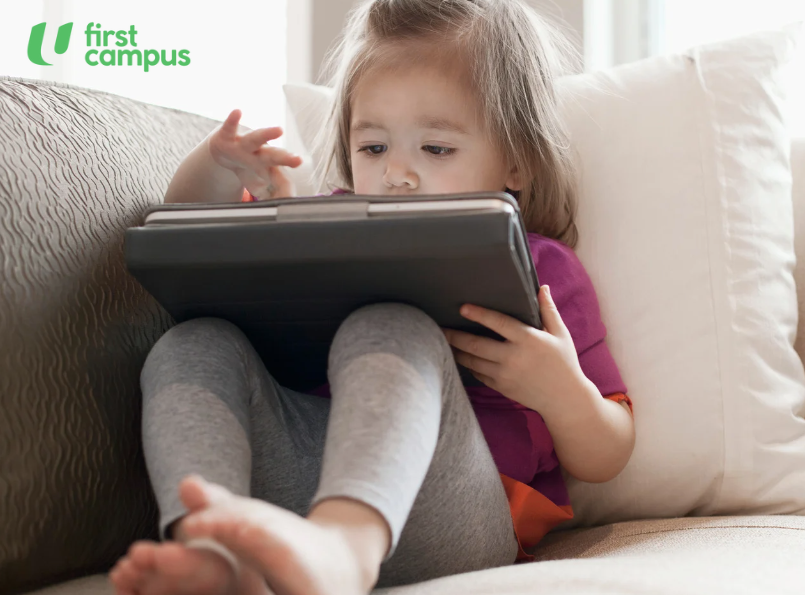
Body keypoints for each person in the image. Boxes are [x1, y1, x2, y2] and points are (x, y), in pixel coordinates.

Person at [108, 0, 635, 593]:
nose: (397, 175)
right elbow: (184, 226)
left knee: (391, 323)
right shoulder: (330, 221)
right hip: (299, 487)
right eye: (374, 148)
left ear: (516, 160)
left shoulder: (547, 269)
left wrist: (562, 393)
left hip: (457, 514)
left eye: (436, 149)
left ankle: (346, 546)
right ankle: (215, 549)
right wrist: (218, 167)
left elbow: (609, 454)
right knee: (192, 344)